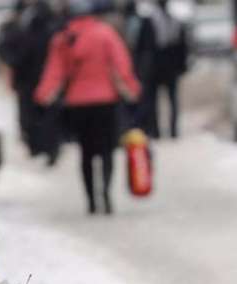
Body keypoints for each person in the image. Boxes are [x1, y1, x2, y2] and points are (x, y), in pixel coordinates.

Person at [35, 0, 141, 215]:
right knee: (107, 151)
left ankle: (91, 201)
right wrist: (132, 89)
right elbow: (121, 64)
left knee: (86, 153)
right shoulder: (105, 33)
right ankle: (107, 194)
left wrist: (43, 95)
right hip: (105, 102)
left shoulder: (64, 38)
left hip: (78, 104)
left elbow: (54, 72)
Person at [0, 0, 62, 164]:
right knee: (28, 117)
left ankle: (48, 149)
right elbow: (6, 45)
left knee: (46, 115)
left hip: (44, 74)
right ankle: (36, 148)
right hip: (25, 77)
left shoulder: (47, 15)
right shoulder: (17, 17)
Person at [146, 0, 189, 138]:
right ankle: (158, 130)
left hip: (165, 66)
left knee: (168, 100)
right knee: (158, 101)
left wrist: (182, 66)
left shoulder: (172, 21)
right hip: (159, 67)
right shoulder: (152, 21)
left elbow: (182, 47)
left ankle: (170, 130)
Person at [121, 0, 158, 134]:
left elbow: (149, 48)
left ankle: (145, 128)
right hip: (127, 69)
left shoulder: (144, 22)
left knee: (144, 100)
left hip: (141, 68)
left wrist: (144, 69)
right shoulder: (121, 24)